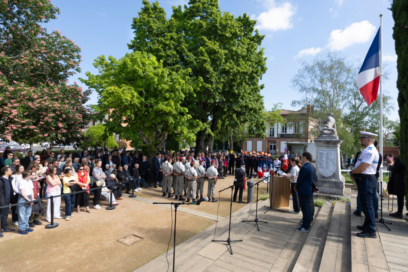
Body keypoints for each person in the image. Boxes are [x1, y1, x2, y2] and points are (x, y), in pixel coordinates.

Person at [350, 131, 380, 238]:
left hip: (367, 180)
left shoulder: (370, 151)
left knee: (367, 205)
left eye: (362, 138)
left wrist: (352, 172)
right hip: (365, 180)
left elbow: (363, 167)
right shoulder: (367, 150)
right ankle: (367, 225)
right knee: (365, 204)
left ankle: (371, 230)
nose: (360, 140)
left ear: (369, 139)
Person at [295, 152, 314, 232]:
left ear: (305, 157)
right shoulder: (310, 166)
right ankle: (307, 223)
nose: (301, 158)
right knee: (308, 208)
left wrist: (296, 187)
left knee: (305, 208)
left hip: (303, 190)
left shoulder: (305, 167)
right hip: (308, 189)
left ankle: (305, 226)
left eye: (302, 156)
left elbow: (300, 179)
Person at [387, 148, 407, 219]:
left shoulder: (399, 159)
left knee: (400, 197)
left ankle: (399, 212)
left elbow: (395, 169)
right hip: (404, 180)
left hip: (400, 180)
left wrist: (390, 167)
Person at [17, 171, 35, 235]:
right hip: (23, 199)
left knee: (28, 214)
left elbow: (32, 191)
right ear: (25, 176)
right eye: (29, 175)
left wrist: (32, 199)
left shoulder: (30, 181)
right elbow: (23, 193)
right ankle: (22, 228)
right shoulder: (22, 182)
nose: (31, 176)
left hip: (29, 198)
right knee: (22, 215)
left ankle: (26, 227)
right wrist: (29, 200)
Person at [0, 166, 15, 236]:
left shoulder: (9, 179)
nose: (11, 171)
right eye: (10, 170)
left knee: (5, 214)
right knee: (1, 214)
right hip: (2, 201)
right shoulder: (1, 180)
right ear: (5, 172)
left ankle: (4, 227)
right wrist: (1, 201)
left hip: (8, 200)